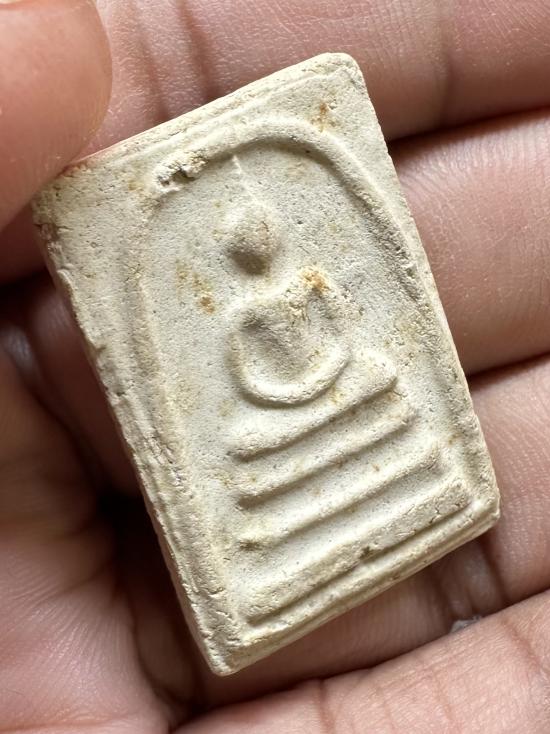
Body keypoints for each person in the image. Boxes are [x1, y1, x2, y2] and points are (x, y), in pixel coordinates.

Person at [1, 1, 549, 731]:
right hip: (280, 412)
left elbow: (340, 344)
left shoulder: (307, 283)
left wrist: (324, 381)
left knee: (378, 384)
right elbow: (246, 376)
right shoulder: (239, 313)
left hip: (333, 391)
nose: (259, 250)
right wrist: (286, 397)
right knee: (251, 446)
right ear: (238, 255)